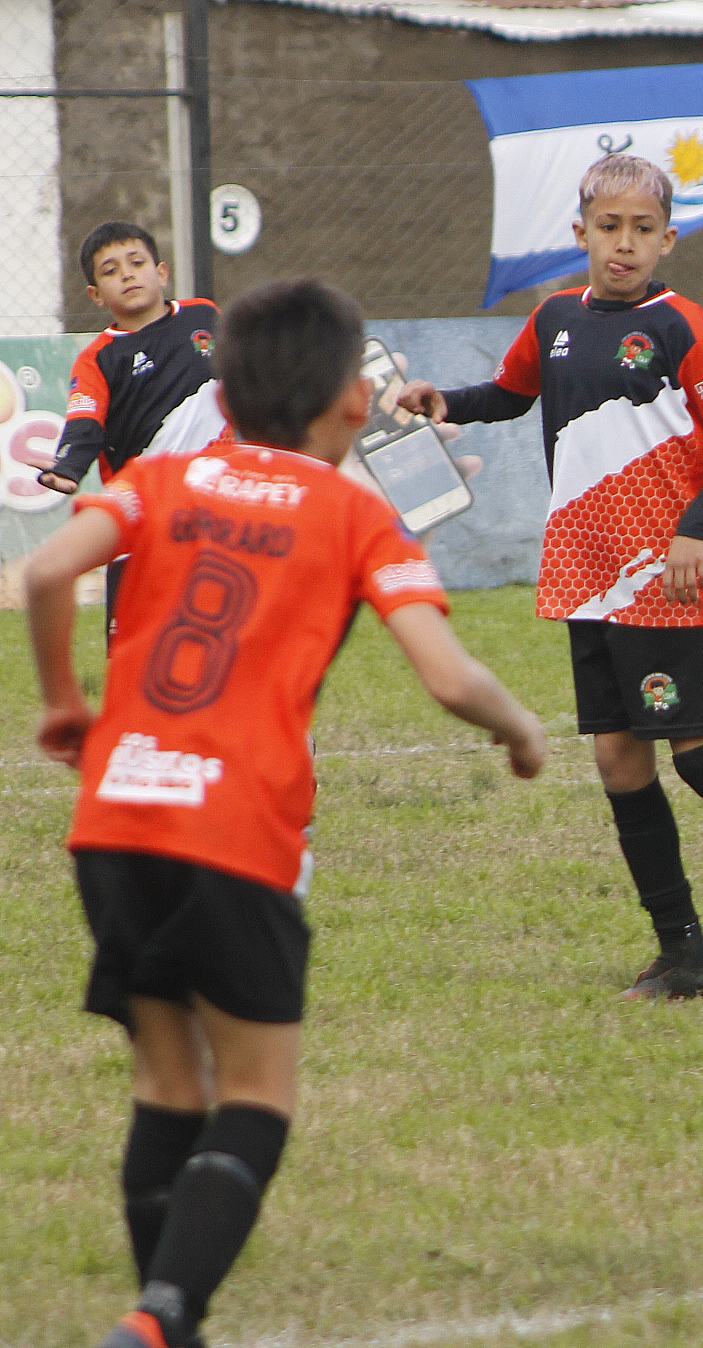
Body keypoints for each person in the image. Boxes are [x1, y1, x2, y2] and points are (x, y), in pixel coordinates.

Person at [26, 278, 550, 1348]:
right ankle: (161, 1318)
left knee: (170, 1080)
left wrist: (64, 703)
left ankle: (160, 1311)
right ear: (356, 403)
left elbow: (44, 571)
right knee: (256, 1094)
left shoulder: (161, 477)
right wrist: (521, 730)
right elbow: (449, 679)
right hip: (235, 830)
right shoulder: (360, 514)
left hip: (117, 818)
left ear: (224, 385)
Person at [397, 152, 703, 1005]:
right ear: (580, 233)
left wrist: (692, 533)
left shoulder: (682, 325)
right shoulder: (552, 321)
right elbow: (510, 395)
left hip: (661, 576)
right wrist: (446, 403)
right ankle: (685, 954)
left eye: (643, 230)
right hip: (587, 574)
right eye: (609, 227)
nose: (625, 244)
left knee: (700, 757)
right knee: (619, 758)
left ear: (669, 239)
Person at [36, 222, 222, 638]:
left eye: (137, 263)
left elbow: (249, 373)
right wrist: (67, 469)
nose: (127, 274)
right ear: (96, 295)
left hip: (218, 492)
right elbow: (84, 419)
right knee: (135, 637)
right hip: (145, 502)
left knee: (225, 615)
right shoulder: (99, 358)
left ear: (161, 273)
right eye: (110, 270)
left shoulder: (204, 315)